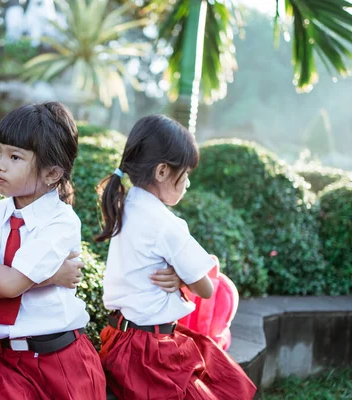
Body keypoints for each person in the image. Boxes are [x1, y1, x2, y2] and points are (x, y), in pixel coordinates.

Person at [95, 114, 257, 399]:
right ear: (162, 172)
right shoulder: (167, 225)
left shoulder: (124, 203)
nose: (187, 184)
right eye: (185, 175)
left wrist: (179, 275)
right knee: (225, 381)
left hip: (117, 339)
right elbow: (206, 288)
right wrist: (183, 277)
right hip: (149, 354)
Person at [0, 102, 106, 400]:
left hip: (61, 361)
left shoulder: (61, 221)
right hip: (4, 362)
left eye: (15, 157)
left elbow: (9, 285)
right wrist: (50, 277)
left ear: (52, 173)